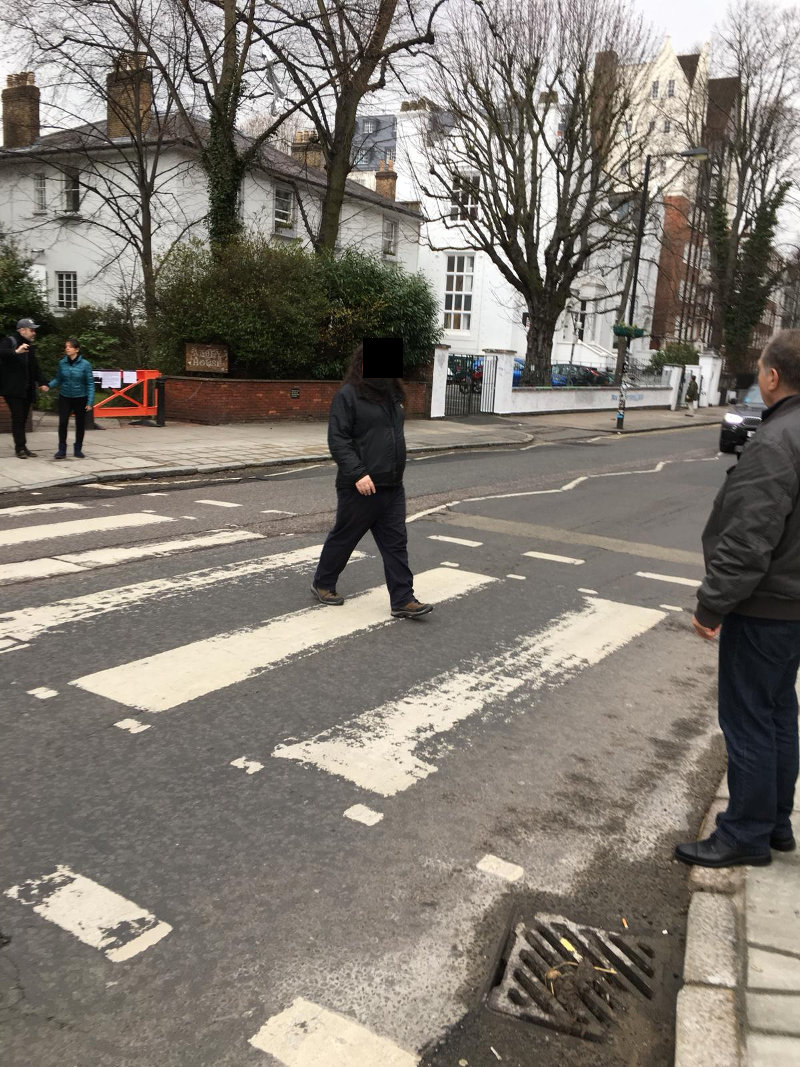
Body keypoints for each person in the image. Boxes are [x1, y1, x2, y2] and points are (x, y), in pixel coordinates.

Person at [675, 328, 800, 868]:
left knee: (749, 718)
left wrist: (711, 605)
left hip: (767, 604)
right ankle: (774, 823)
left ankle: (744, 834)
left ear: (772, 376)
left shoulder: (776, 442)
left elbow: (749, 538)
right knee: (777, 714)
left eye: (759, 368)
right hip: (792, 605)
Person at [311, 343, 433, 619]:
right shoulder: (349, 396)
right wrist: (358, 473)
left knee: (396, 543)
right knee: (345, 538)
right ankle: (323, 583)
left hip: (391, 485)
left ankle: (403, 599)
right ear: (362, 364)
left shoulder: (393, 396)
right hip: (360, 486)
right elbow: (338, 439)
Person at [0, 317, 49, 457]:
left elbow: (34, 367)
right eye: (31, 330)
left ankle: (23, 446)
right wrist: (16, 352)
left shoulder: (29, 346)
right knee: (18, 418)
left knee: (23, 418)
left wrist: (43, 382)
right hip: (13, 389)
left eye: (34, 330)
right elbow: (1, 352)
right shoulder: (9, 341)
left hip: (26, 390)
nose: (34, 333)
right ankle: (19, 448)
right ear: (22, 330)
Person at [48, 338, 94, 459]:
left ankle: (78, 449)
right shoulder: (62, 363)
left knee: (80, 424)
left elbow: (90, 384)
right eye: (66, 346)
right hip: (65, 397)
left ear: (76, 349)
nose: (67, 348)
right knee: (62, 423)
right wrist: (48, 386)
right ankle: (61, 449)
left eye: (70, 346)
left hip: (80, 398)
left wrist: (90, 402)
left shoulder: (85, 364)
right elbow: (58, 379)